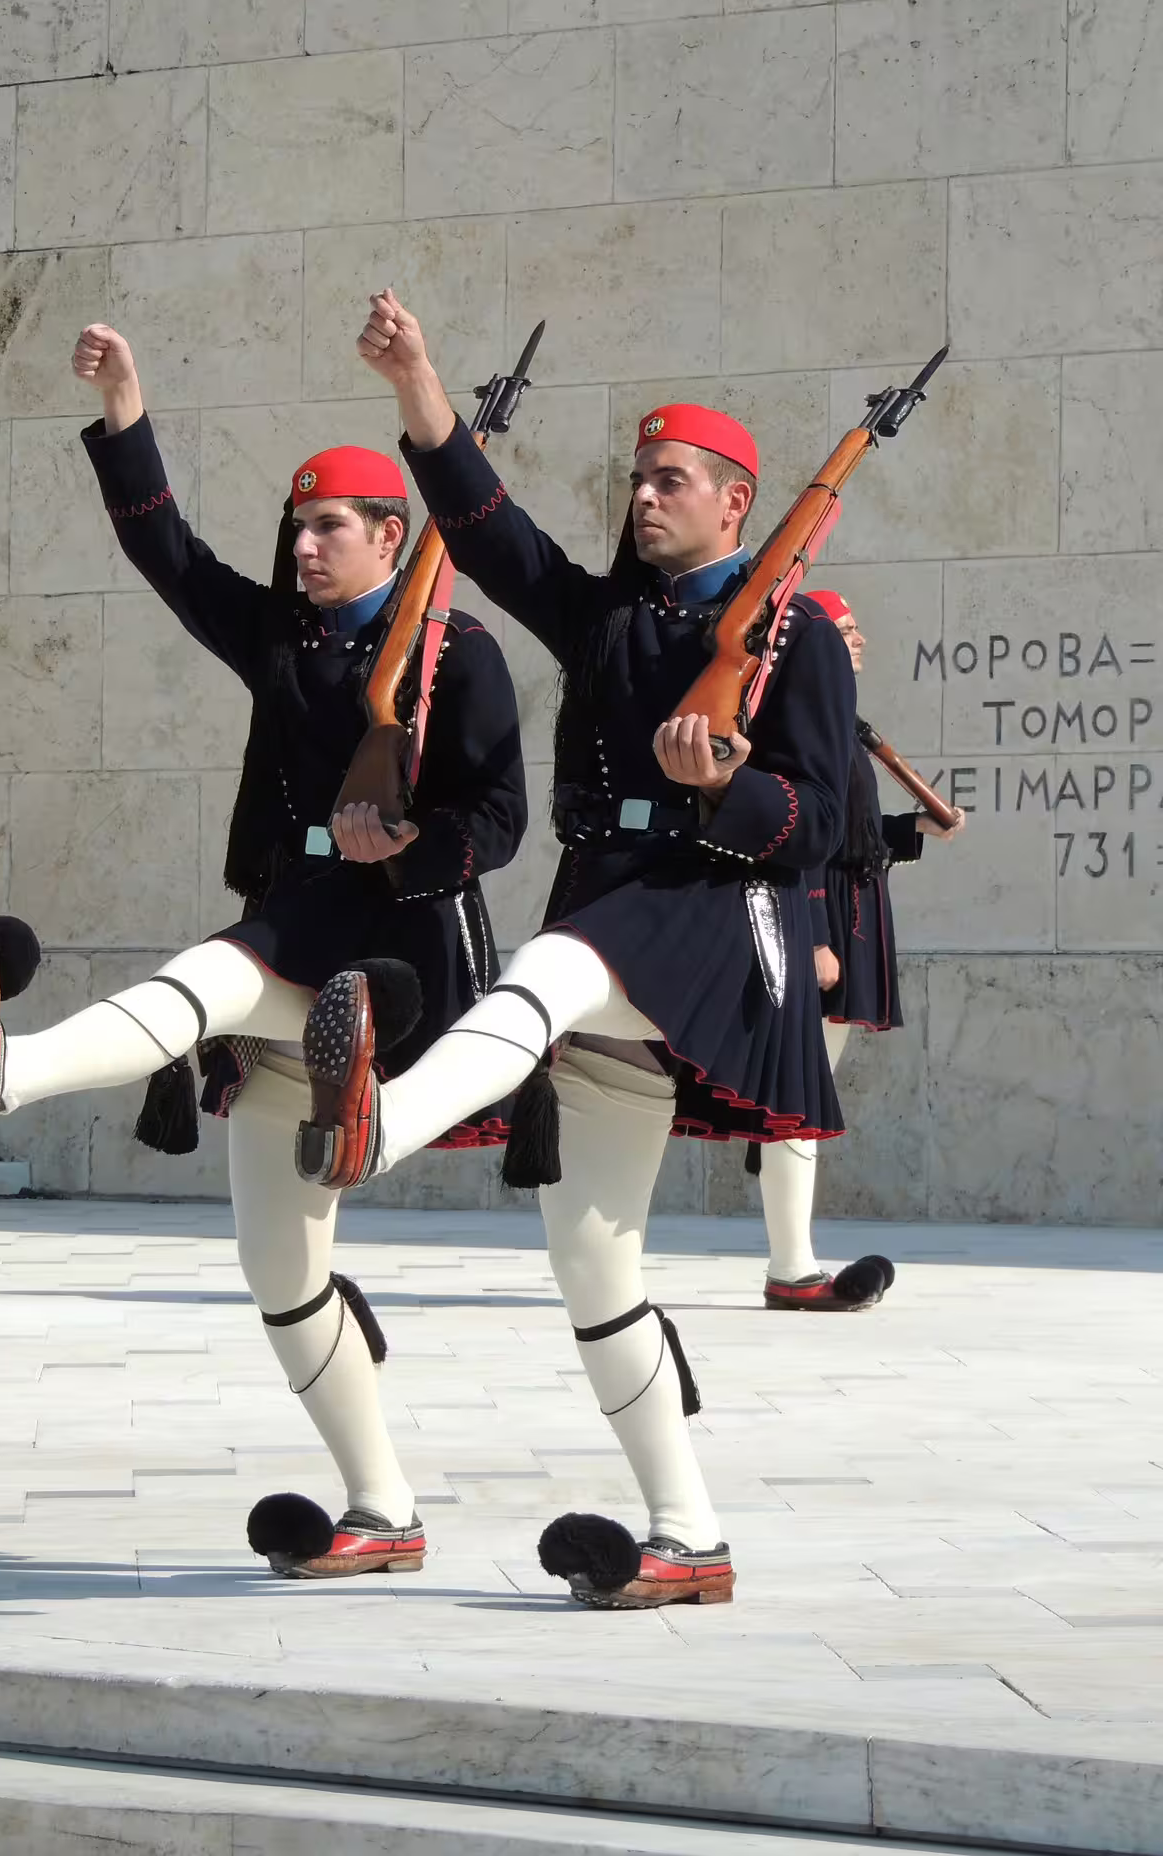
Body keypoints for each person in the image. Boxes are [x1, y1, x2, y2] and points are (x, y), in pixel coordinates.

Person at [291, 291, 868, 1610]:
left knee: (542, 978)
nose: (644, 494)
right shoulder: (611, 621)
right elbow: (488, 532)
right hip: (612, 908)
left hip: (713, 922)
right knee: (591, 1261)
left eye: (672, 481)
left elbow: (817, 826)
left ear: (737, 503)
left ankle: (371, 1131)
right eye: (638, 477)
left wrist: (726, 787)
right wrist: (421, 386)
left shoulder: (796, 644)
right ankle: (688, 1536)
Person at [0, 323, 526, 1581]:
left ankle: (10, 1074)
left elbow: (501, 822)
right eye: (296, 531)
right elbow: (165, 551)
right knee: (280, 1266)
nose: (302, 550)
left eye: (328, 532)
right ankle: (383, 1511)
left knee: (202, 983)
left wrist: (401, 843)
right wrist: (127, 404)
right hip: (295, 919)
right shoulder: (281, 640)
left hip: (392, 953)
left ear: (389, 534)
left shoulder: (456, 657)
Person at [751, 589, 965, 1308]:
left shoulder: (835, 721)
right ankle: (793, 1266)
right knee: (798, 1108)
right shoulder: (805, 724)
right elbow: (799, 845)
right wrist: (813, 937)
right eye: (843, 630)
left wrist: (914, 833)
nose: (859, 638)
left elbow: (854, 842)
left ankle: (794, 1258)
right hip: (824, 928)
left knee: (805, 1105)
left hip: (851, 919)